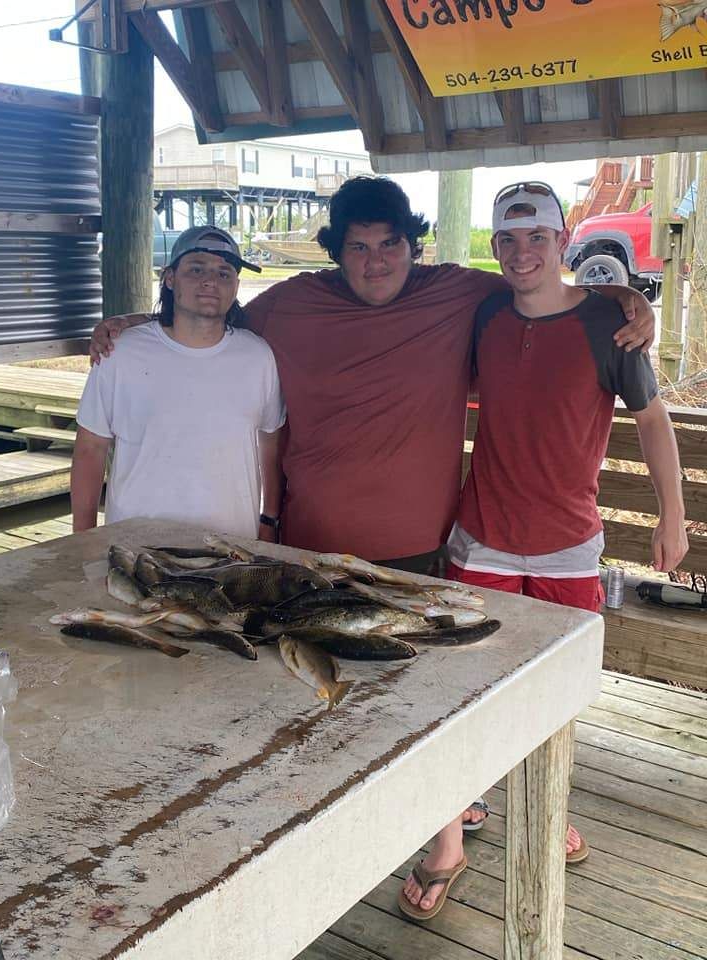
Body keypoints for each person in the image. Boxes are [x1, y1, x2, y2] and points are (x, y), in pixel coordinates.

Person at [89, 176, 655, 576]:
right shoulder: (291, 304)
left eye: (390, 244)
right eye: (357, 247)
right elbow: (208, 316)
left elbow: (541, 287)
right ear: (336, 253)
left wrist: (621, 295)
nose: (375, 261)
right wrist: (136, 321)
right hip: (308, 549)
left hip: (421, 554)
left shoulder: (457, 292)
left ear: (413, 246)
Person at [399, 181, 688, 921]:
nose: (522, 252)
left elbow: (652, 420)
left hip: (568, 548)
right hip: (481, 541)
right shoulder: (485, 312)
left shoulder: (611, 324)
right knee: (459, 688)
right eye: (508, 239)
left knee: (555, 692)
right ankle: (450, 830)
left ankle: (546, 801)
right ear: (494, 247)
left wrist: (673, 516)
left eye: (538, 238)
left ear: (563, 240)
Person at [72, 226, 285, 537]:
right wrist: (83, 538)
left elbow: (271, 441)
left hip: (232, 548)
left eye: (224, 273)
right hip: (136, 547)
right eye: (196, 269)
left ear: (236, 286)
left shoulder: (259, 356)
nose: (210, 281)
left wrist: (269, 518)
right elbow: (90, 448)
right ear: (170, 278)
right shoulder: (119, 352)